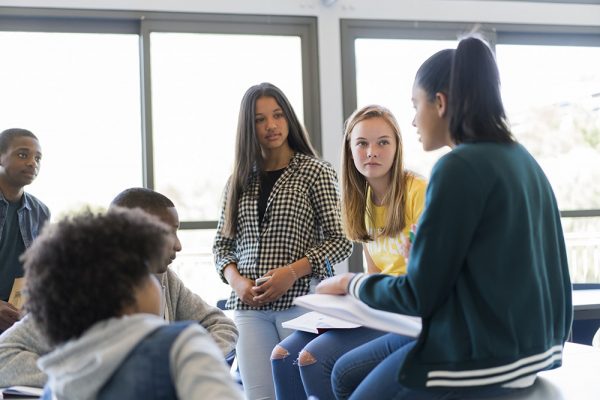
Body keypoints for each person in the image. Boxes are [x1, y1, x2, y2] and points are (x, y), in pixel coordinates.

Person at [317, 36, 572, 399]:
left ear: (440, 103)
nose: (414, 120)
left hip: (485, 358)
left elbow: (418, 295)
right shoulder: (521, 158)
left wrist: (351, 284)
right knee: (345, 374)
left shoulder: (458, 166)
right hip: (536, 351)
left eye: (415, 104)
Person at [0, 187, 238, 388]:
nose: (178, 245)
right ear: (131, 233)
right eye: (168, 232)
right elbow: (4, 356)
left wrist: (185, 364)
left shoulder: (166, 279)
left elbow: (222, 325)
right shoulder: (78, 291)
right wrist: (87, 378)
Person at [271, 105, 427, 400]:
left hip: (406, 313)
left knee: (311, 359)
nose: (372, 152)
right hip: (378, 307)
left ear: (397, 148)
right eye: (362, 143)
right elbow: (376, 273)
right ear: (350, 150)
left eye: (383, 142)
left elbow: (426, 275)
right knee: (281, 355)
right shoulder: (360, 200)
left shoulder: (418, 191)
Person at [213, 82, 352, 399]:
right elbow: (221, 247)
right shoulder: (238, 180)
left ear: (288, 118)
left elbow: (341, 239)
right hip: (249, 310)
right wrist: (237, 282)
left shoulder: (315, 171)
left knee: (298, 394)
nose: (271, 125)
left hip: (301, 302)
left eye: (277, 115)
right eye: (260, 119)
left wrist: (291, 272)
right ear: (249, 127)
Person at [0, 128, 50, 333]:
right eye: (23, 155)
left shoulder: (41, 211)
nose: (32, 163)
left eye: (38, 158)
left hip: (16, 320)